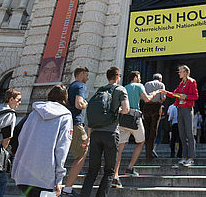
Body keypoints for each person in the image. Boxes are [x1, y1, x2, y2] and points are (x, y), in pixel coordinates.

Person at [11, 84, 72, 197]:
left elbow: (21, 138)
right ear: (65, 98)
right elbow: (62, 148)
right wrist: (59, 178)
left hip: (24, 174)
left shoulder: (34, 112)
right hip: (45, 176)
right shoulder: (65, 116)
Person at [80, 66, 129, 196]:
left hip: (95, 134)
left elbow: (92, 116)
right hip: (111, 133)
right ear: (118, 76)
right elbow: (126, 109)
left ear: (107, 77)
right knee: (109, 171)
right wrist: (117, 110)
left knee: (92, 171)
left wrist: (88, 137)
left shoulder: (99, 91)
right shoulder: (120, 89)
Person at [113, 71, 160, 187]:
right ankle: (130, 167)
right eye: (139, 77)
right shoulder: (139, 86)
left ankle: (115, 175)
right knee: (141, 142)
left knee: (120, 147)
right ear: (135, 78)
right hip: (135, 118)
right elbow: (147, 99)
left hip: (123, 118)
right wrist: (155, 92)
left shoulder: (123, 88)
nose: (140, 79)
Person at [161, 65, 198, 166]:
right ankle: (184, 157)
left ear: (186, 72)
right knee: (182, 134)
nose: (179, 73)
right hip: (180, 109)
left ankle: (191, 157)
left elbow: (195, 96)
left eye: (180, 71)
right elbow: (175, 94)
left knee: (189, 133)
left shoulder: (192, 82)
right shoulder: (181, 84)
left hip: (187, 109)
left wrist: (186, 96)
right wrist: (165, 92)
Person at [62, 66, 90, 197]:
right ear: (82, 74)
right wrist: (86, 104)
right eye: (87, 75)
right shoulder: (80, 86)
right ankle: (67, 189)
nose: (88, 78)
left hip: (66, 123)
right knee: (81, 155)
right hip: (76, 124)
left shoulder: (70, 86)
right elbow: (79, 104)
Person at [143, 73, 165, 158]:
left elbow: (144, 96)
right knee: (153, 129)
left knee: (147, 129)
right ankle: (150, 151)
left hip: (147, 106)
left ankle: (147, 150)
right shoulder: (161, 84)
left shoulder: (147, 84)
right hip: (156, 107)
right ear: (160, 79)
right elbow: (163, 97)